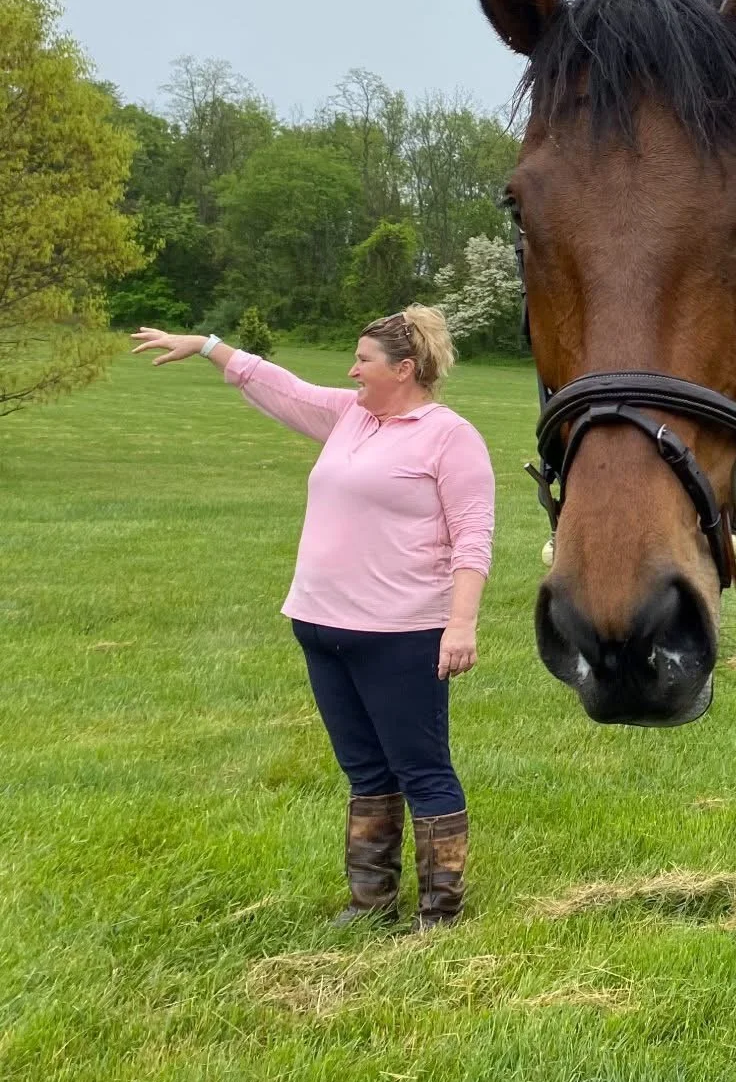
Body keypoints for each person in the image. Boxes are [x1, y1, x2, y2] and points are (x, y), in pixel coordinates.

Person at [130, 306, 494, 927]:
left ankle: (441, 914)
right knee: (364, 769)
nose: (352, 370)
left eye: (364, 361)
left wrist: (461, 624)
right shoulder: (349, 415)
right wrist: (207, 345)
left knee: (422, 768)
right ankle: (371, 901)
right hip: (322, 625)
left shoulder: (449, 436)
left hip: (401, 633)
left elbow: (472, 535)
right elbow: (281, 388)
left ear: (404, 369)